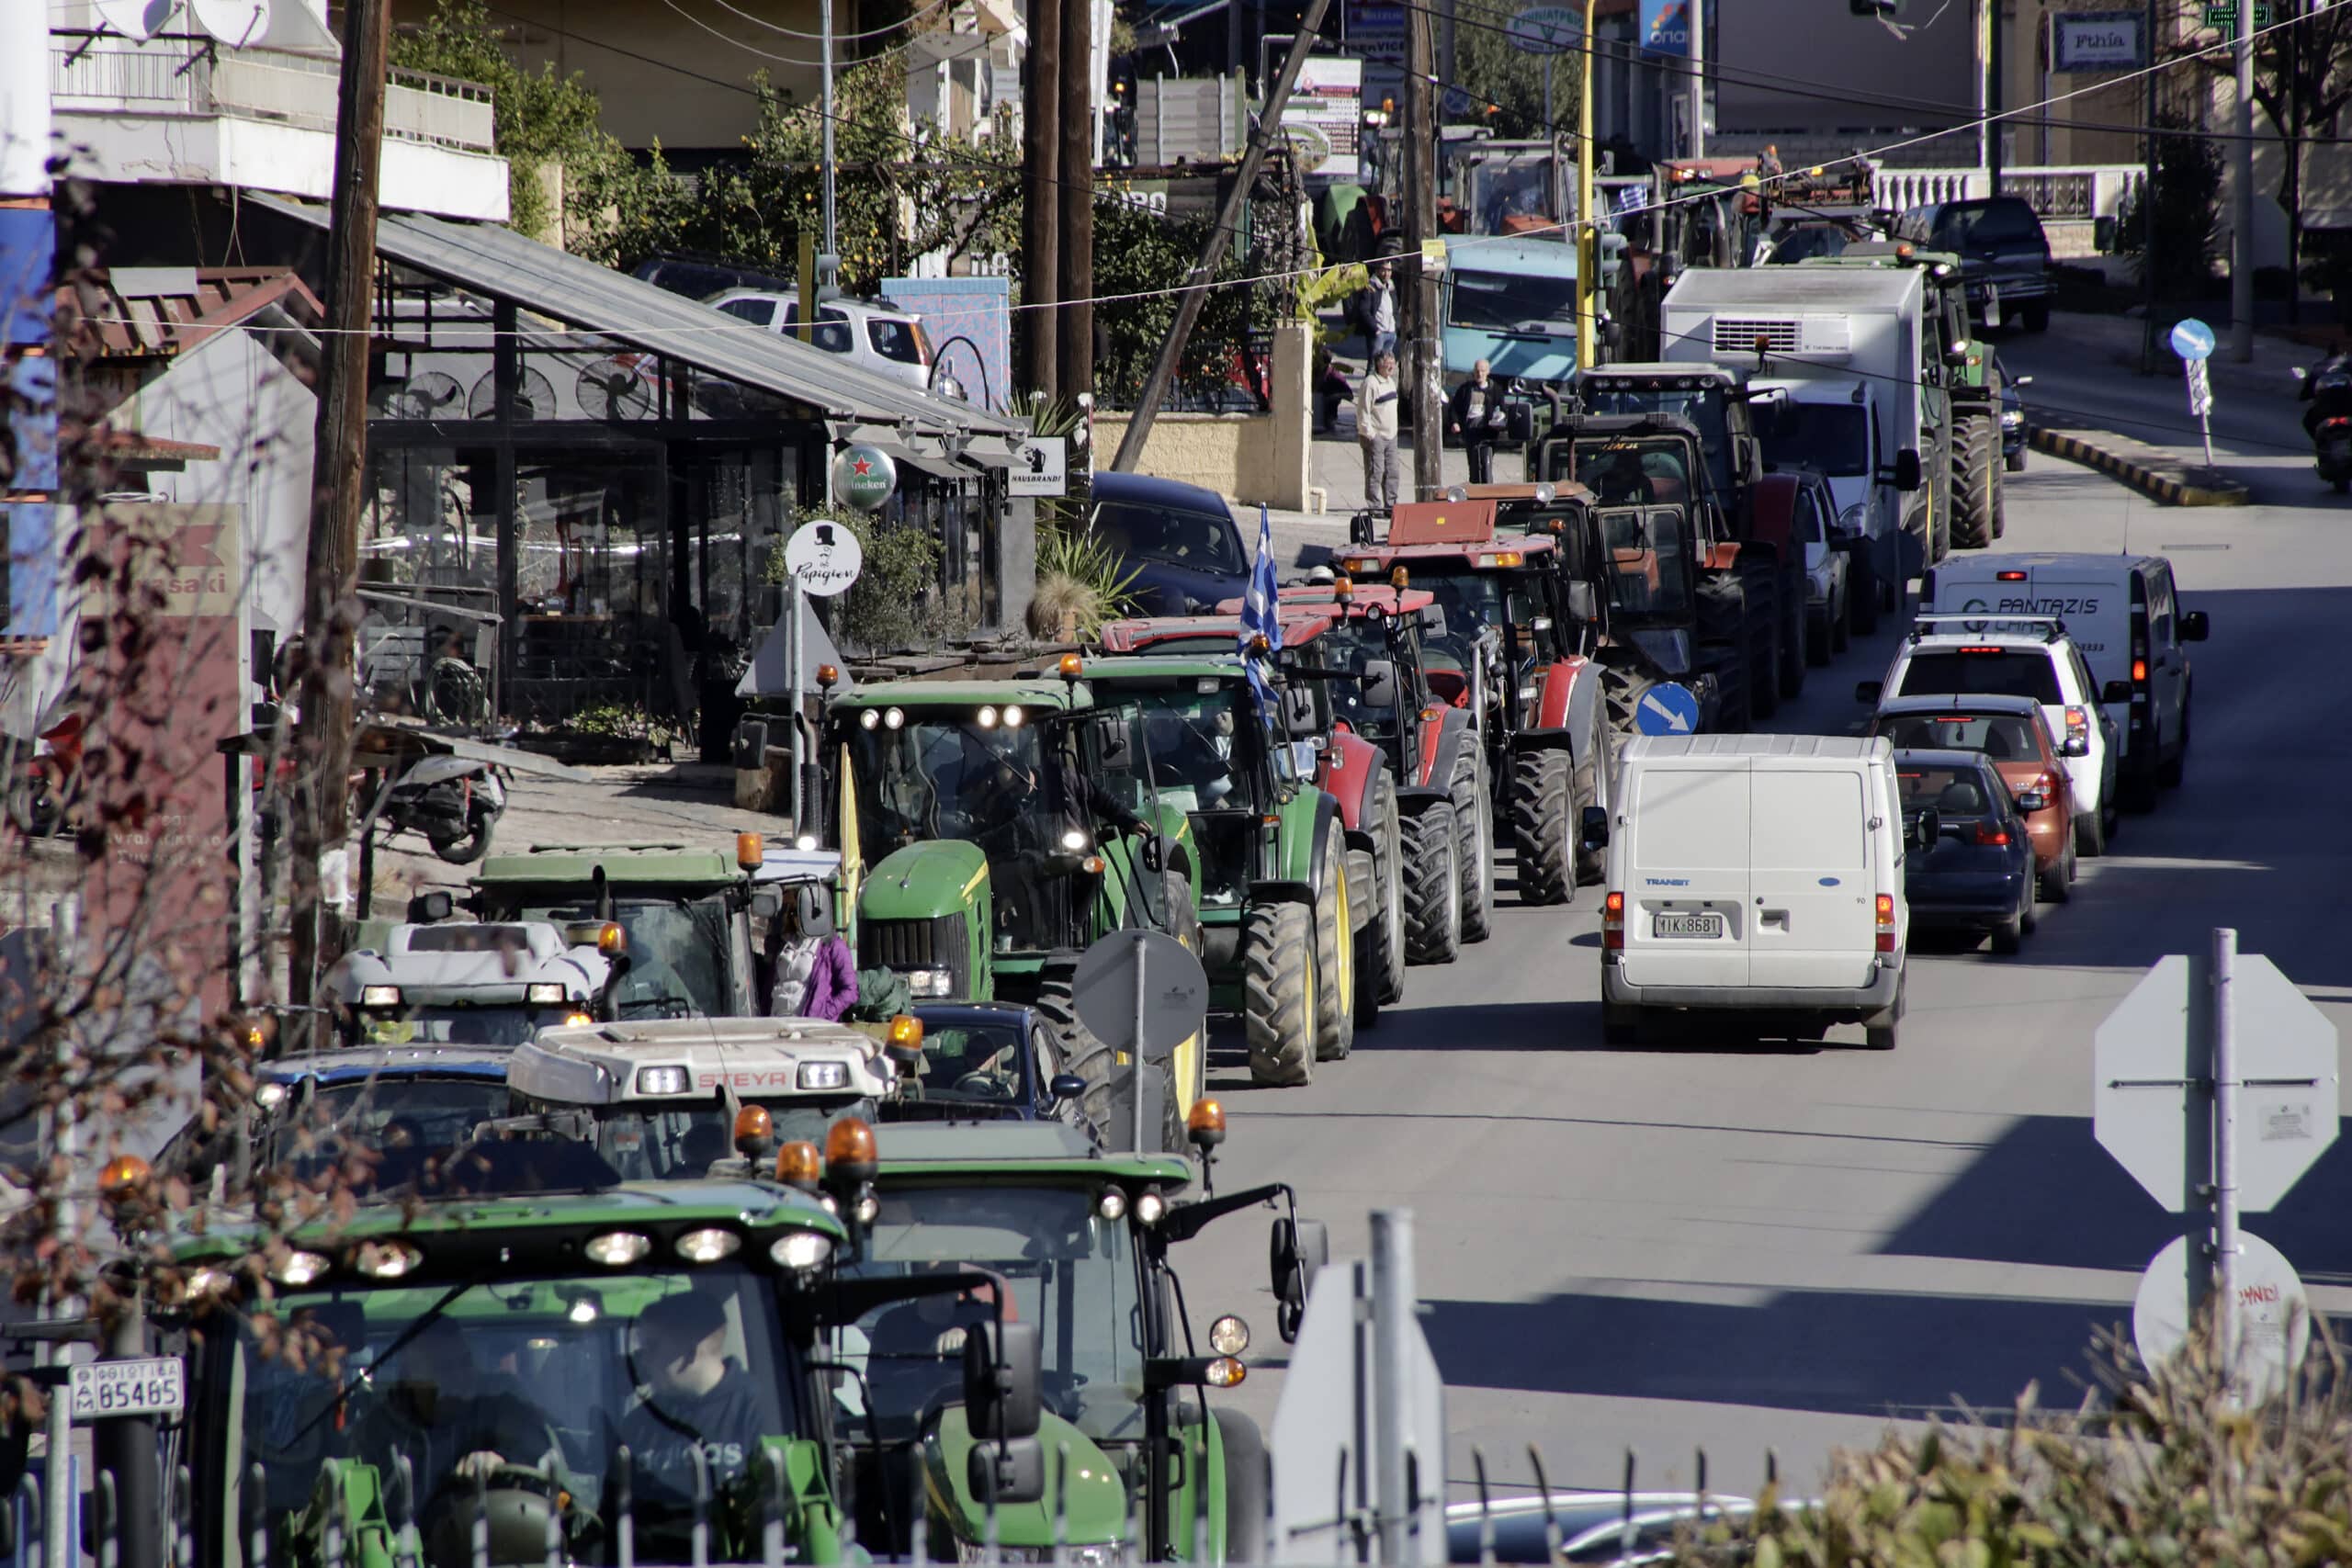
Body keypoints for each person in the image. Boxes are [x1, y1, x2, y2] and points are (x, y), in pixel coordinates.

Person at [347, 1318, 564, 1503]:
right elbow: (354, 1500)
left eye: (465, 1363)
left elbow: (532, 1439)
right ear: (411, 1377)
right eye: (445, 1369)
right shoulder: (376, 1432)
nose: (462, 1376)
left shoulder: (498, 1406)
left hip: (485, 1543)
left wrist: (502, 1457)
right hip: (401, 1547)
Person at [616, 1292, 765, 1502]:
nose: (644, 1360)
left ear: (690, 1352)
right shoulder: (639, 1425)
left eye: (652, 1347)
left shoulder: (759, 1412)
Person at [766, 883, 857, 1021]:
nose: (795, 918)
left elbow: (850, 991)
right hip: (777, 1020)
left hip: (809, 1026)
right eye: (792, 913)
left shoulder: (832, 946)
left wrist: (824, 1013)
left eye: (799, 912)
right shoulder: (784, 942)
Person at [1448, 360, 1508, 485]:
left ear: (1488, 372)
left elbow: (1503, 409)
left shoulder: (1495, 389)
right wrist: (1455, 422)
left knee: (1486, 462)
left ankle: (1487, 486)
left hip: (1488, 431)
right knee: (1474, 463)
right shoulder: (1465, 389)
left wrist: (1500, 418)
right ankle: (1475, 485)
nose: (1479, 374)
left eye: (1482, 371)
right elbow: (1454, 407)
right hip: (1471, 430)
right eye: (1477, 371)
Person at [1356, 352, 1403, 513]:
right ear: (1378, 364)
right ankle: (1374, 506)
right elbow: (1363, 411)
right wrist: (1370, 434)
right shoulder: (1370, 383)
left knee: (1392, 472)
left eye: (1393, 362)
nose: (1391, 366)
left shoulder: (1390, 382)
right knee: (1375, 471)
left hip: (1391, 436)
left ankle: (1391, 506)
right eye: (1387, 363)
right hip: (1375, 436)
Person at [1355, 260, 1398, 359]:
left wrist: (1396, 326)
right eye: (1384, 270)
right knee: (1374, 365)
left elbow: (1395, 309)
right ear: (1377, 271)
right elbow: (1364, 310)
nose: (1386, 274)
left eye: (1389, 271)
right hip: (1378, 333)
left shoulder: (1391, 287)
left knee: (1386, 365)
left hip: (1391, 332)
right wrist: (1375, 329)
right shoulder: (1371, 286)